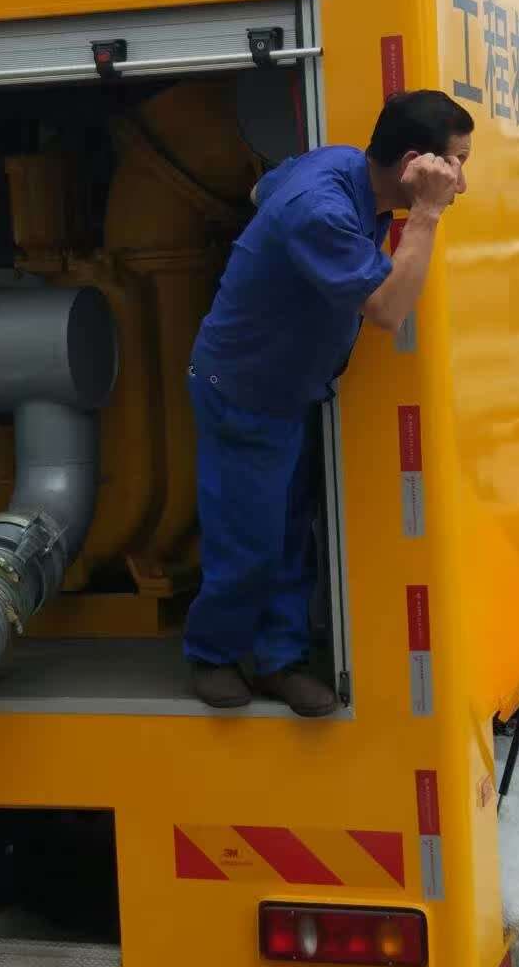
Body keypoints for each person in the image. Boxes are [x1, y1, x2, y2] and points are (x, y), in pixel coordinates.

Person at [184, 89, 472, 715]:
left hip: (288, 388)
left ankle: (279, 660)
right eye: (455, 164)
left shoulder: (342, 168)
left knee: (291, 531)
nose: (461, 183)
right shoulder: (322, 209)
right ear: (414, 163)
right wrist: (426, 214)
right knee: (250, 539)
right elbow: (389, 310)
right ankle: (212, 654)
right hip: (244, 390)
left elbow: (263, 190)